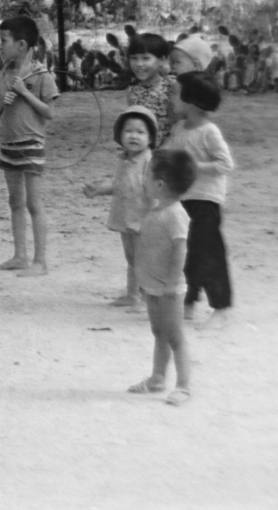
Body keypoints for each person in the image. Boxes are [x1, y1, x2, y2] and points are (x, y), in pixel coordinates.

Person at [0, 15, 59, 276]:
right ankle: (20, 256)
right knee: (15, 202)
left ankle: (40, 262)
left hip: (31, 145)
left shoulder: (41, 74)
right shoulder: (3, 73)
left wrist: (25, 92)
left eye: (3, 41)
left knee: (34, 204)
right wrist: (2, 102)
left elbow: (49, 113)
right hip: (8, 145)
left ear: (21, 45)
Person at [128, 149, 197, 406]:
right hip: (153, 286)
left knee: (175, 337)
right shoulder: (157, 210)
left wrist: (171, 281)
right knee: (158, 332)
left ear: (159, 184)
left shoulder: (176, 214)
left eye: (147, 175)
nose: (143, 180)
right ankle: (157, 378)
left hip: (169, 288)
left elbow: (180, 248)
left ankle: (183, 386)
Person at [173, 71, 236, 328]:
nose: (170, 99)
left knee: (208, 253)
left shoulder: (209, 131)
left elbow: (225, 164)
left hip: (206, 202)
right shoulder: (179, 128)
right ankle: (188, 301)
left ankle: (221, 307)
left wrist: (194, 166)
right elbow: (170, 154)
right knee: (185, 251)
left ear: (190, 102)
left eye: (174, 94)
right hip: (184, 198)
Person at [83, 106, 158, 309]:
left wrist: (153, 217)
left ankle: (147, 297)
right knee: (132, 258)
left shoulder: (149, 161)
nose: (134, 136)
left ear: (150, 138)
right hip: (126, 216)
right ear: (119, 135)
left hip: (144, 219)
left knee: (144, 260)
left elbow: (155, 191)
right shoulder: (123, 159)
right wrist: (100, 190)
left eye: (140, 132)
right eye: (128, 131)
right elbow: (120, 185)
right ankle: (132, 295)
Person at [127, 32, 177, 139]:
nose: (139, 64)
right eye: (134, 58)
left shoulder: (171, 87)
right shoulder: (132, 91)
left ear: (162, 60)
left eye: (145, 58)